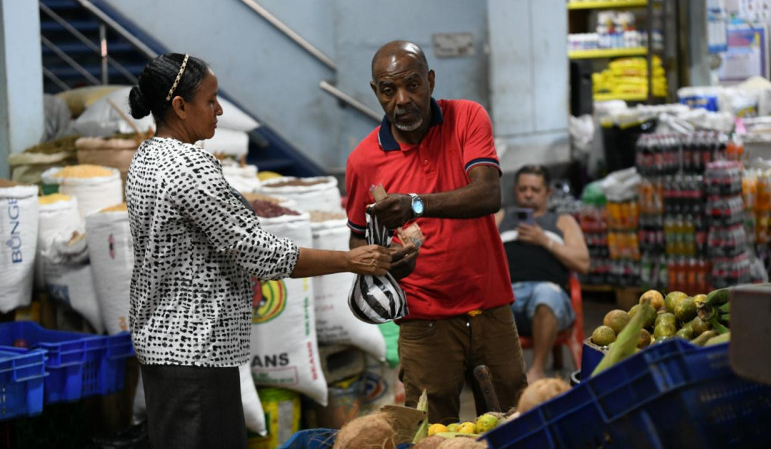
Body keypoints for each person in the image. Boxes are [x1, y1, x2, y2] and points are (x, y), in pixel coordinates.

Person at [126, 53, 405, 449]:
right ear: (180, 106)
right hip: (196, 352)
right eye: (211, 100)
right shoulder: (188, 167)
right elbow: (260, 253)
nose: (220, 110)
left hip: (163, 345)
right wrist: (348, 260)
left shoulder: (147, 157)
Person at [345, 40, 527, 424]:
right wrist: (388, 265)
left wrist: (414, 203)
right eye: (389, 90)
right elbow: (359, 238)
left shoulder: (466, 118)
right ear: (376, 92)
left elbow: (487, 193)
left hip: (489, 306)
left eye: (413, 85)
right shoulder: (363, 160)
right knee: (433, 431)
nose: (403, 100)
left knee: (513, 420)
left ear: (430, 80)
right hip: (423, 321)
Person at [496, 165, 590, 383]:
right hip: (506, 295)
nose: (528, 194)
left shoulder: (562, 221)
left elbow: (583, 263)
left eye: (535, 190)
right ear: (515, 190)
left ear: (548, 192)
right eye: (523, 189)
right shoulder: (501, 217)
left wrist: (544, 240)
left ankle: (537, 370)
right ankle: (495, 377)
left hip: (549, 294)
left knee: (545, 295)